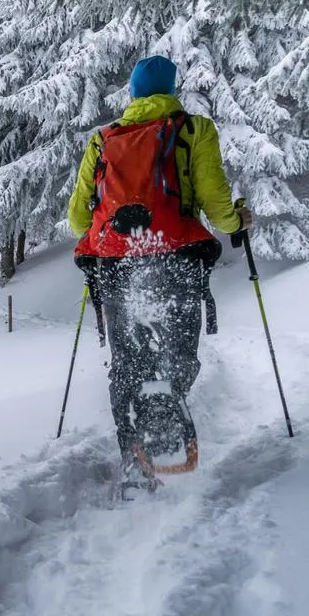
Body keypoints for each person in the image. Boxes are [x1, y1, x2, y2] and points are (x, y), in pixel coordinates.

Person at [67, 55, 253, 469]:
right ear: (171, 90)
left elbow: (78, 218)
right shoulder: (193, 129)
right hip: (176, 256)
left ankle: (135, 461)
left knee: (128, 362)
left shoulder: (103, 139)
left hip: (117, 262)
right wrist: (237, 218)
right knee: (175, 354)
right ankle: (166, 440)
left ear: (132, 93)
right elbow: (215, 201)